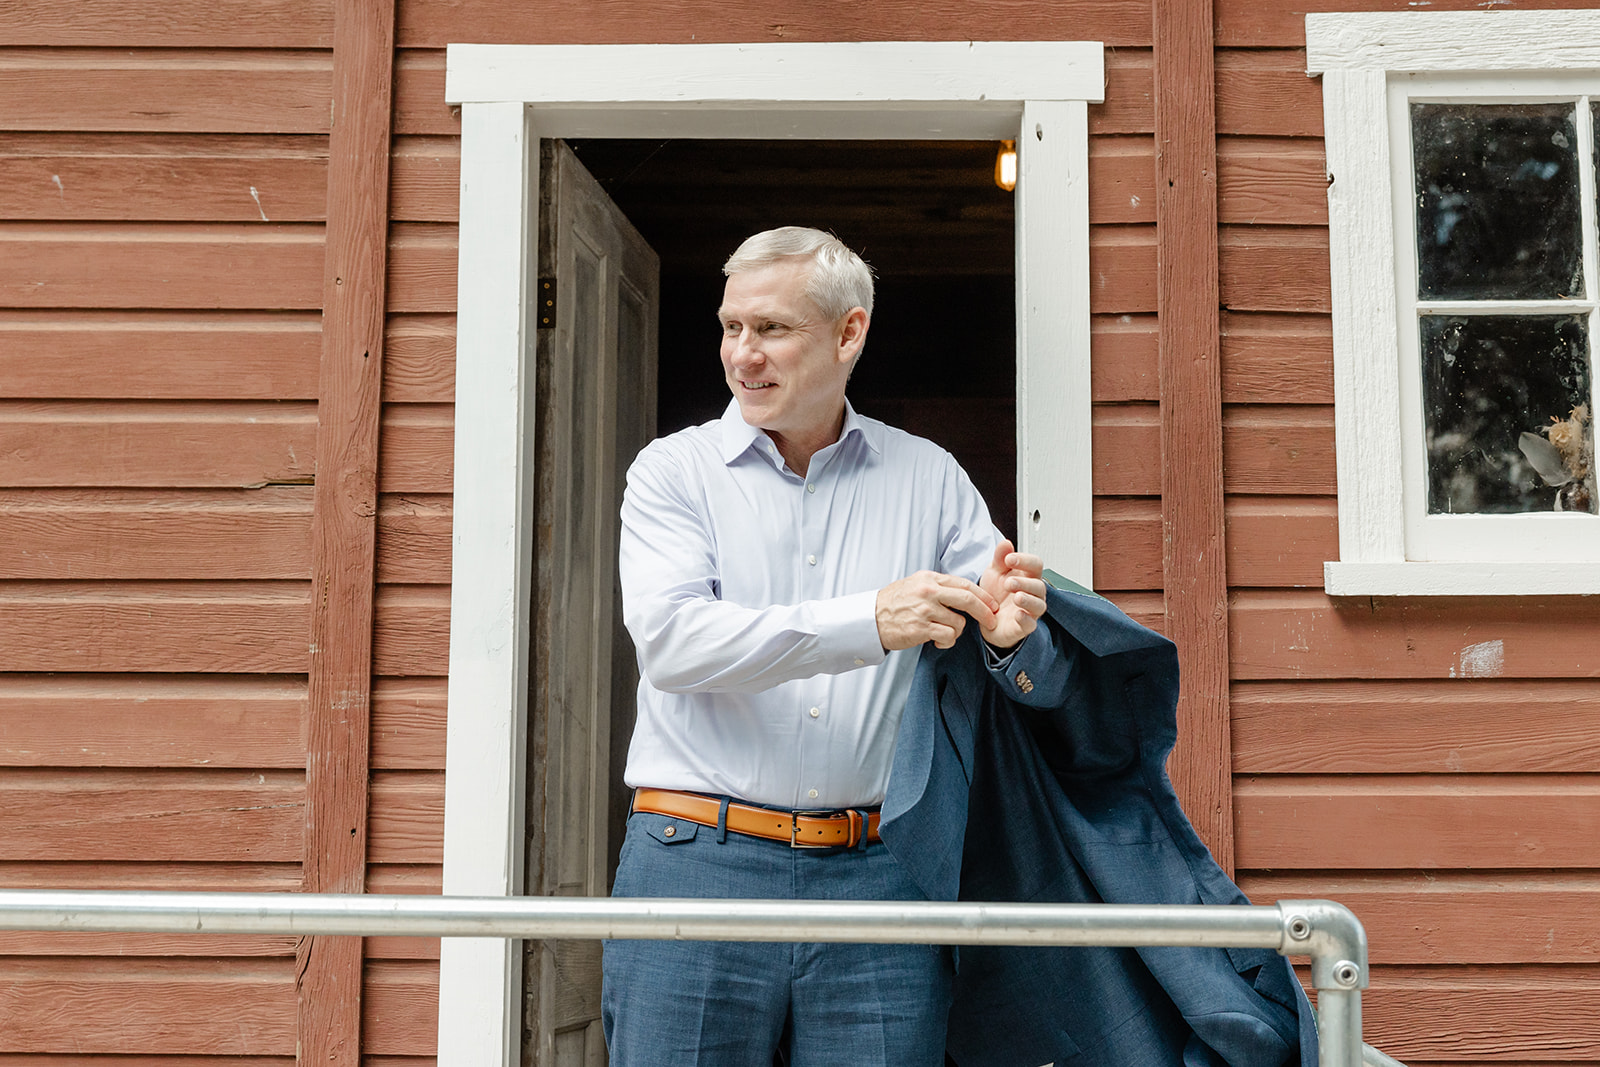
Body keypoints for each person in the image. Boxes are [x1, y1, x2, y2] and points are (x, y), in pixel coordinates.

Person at [601, 226, 1049, 1066]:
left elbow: (996, 615)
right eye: (732, 327)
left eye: (770, 328)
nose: (742, 353)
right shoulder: (672, 472)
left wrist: (1011, 623)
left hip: (877, 876)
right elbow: (671, 643)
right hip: (695, 866)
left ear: (849, 333)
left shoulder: (931, 477)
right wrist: (869, 621)